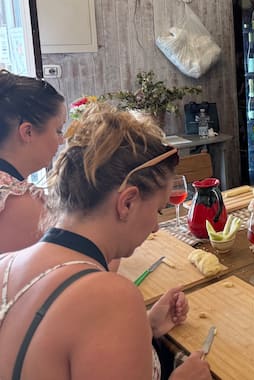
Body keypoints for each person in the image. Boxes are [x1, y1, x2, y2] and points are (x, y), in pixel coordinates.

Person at [0, 104, 211, 380]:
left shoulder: (6, 263)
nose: (155, 227)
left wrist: (143, 328)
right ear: (127, 202)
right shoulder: (111, 298)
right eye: (158, 210)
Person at [0, 70, 66, 253]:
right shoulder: (17, 203)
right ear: (28, 132)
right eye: (58, 130)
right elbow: (80, 264)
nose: (62, 140)